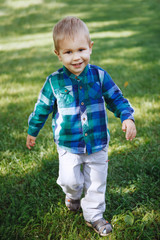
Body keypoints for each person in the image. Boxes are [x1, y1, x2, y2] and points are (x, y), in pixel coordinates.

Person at [26, 16, 136, 237]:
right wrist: (32, 131)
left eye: (81, 50)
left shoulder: (100, 76)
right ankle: (72, 195)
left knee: (96, 182)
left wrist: (127, 117)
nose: (76, 57)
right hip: (68, 144)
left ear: (90, 47)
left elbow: (117, 98)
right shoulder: (54, 82)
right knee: (71, 180)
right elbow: (42, 108)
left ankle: (94, 215)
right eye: (68, 52)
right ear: (57, 54)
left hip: (97, 143)